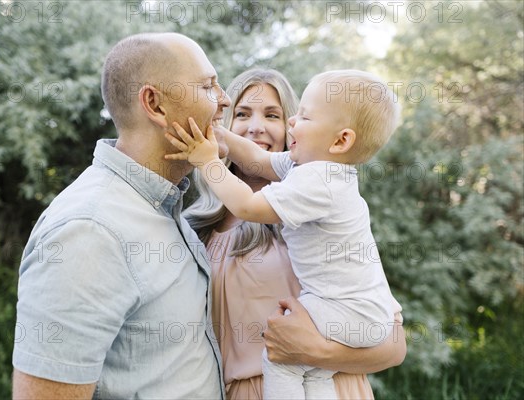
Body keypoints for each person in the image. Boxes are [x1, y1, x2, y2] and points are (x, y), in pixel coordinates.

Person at [11, 32, 232, 399]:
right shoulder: (90, 231)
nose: (224, 99)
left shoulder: (163, 207)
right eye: (208, 86)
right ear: (155, 105)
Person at [166, 69, 403, 399]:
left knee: (284, 364)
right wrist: (212, 133)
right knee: (312, 376)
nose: (257, 126)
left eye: (286, 116)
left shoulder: (313, 187)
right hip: (257, 388)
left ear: (340, 140)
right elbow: (256, 157)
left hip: (321, 375)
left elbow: (394, 345)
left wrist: (208, 162)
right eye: (243, 114)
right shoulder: (196, 227)